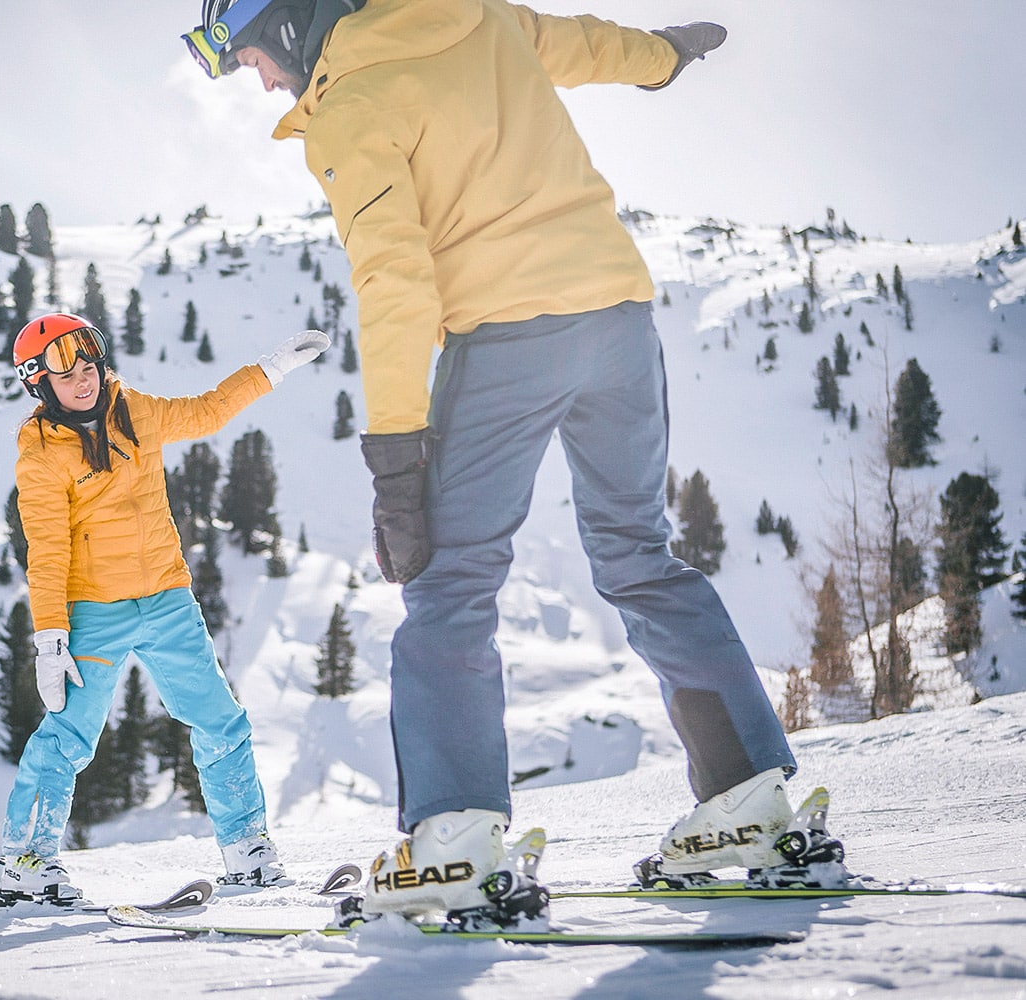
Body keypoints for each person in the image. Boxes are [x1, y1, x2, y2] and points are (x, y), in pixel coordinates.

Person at [184, 0, 843, 918]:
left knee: (449, 587)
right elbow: (581, 43)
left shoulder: (352, 100)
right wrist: (663, 58)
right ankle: (750, 804)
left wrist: (396, 456)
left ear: (291, 21)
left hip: (506, 339)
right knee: (639, 557)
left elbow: (394, 276)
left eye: (247, 53)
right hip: (617, 320)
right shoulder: (475, 17)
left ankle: (452, 842)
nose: (254, 79)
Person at [0, 311, 329, 899]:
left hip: (168, 600)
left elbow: (207, 409)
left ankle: (247, 848)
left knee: (220, 720)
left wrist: (271, 370)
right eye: (62, 367)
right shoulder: (41, 453)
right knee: (69, 736)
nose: (82, 375)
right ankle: (25, 861)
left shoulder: (135, 412)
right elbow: (45, 549)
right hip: (93, 610)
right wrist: (50, 637)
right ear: (38, 382)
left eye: (87, 356)